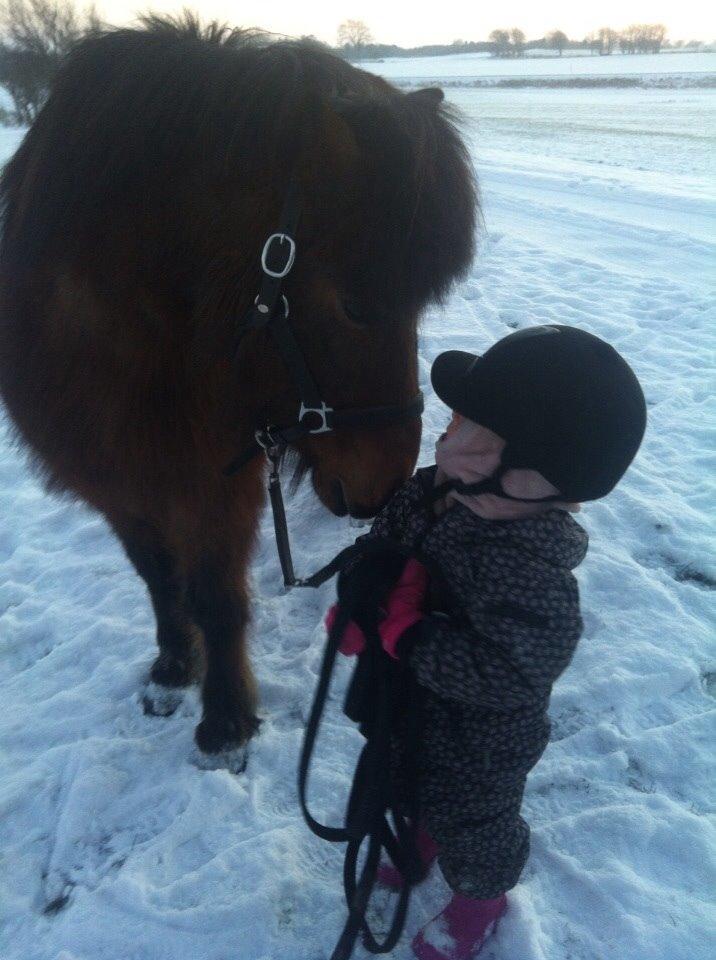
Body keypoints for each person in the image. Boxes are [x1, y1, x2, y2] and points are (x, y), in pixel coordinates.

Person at [327, 325, 647, 960]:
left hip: (479, 746)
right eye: (456, 420)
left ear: (526, 472)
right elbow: (384, 540)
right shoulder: (438, 492)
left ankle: (478, 901)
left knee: (475, 826)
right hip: (410, 708)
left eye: (471, 429)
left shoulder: (531, 571)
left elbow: (509, 673)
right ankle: (418, 838)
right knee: (401, 781)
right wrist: (365, 590)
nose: (448, 439)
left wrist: (410, 635)